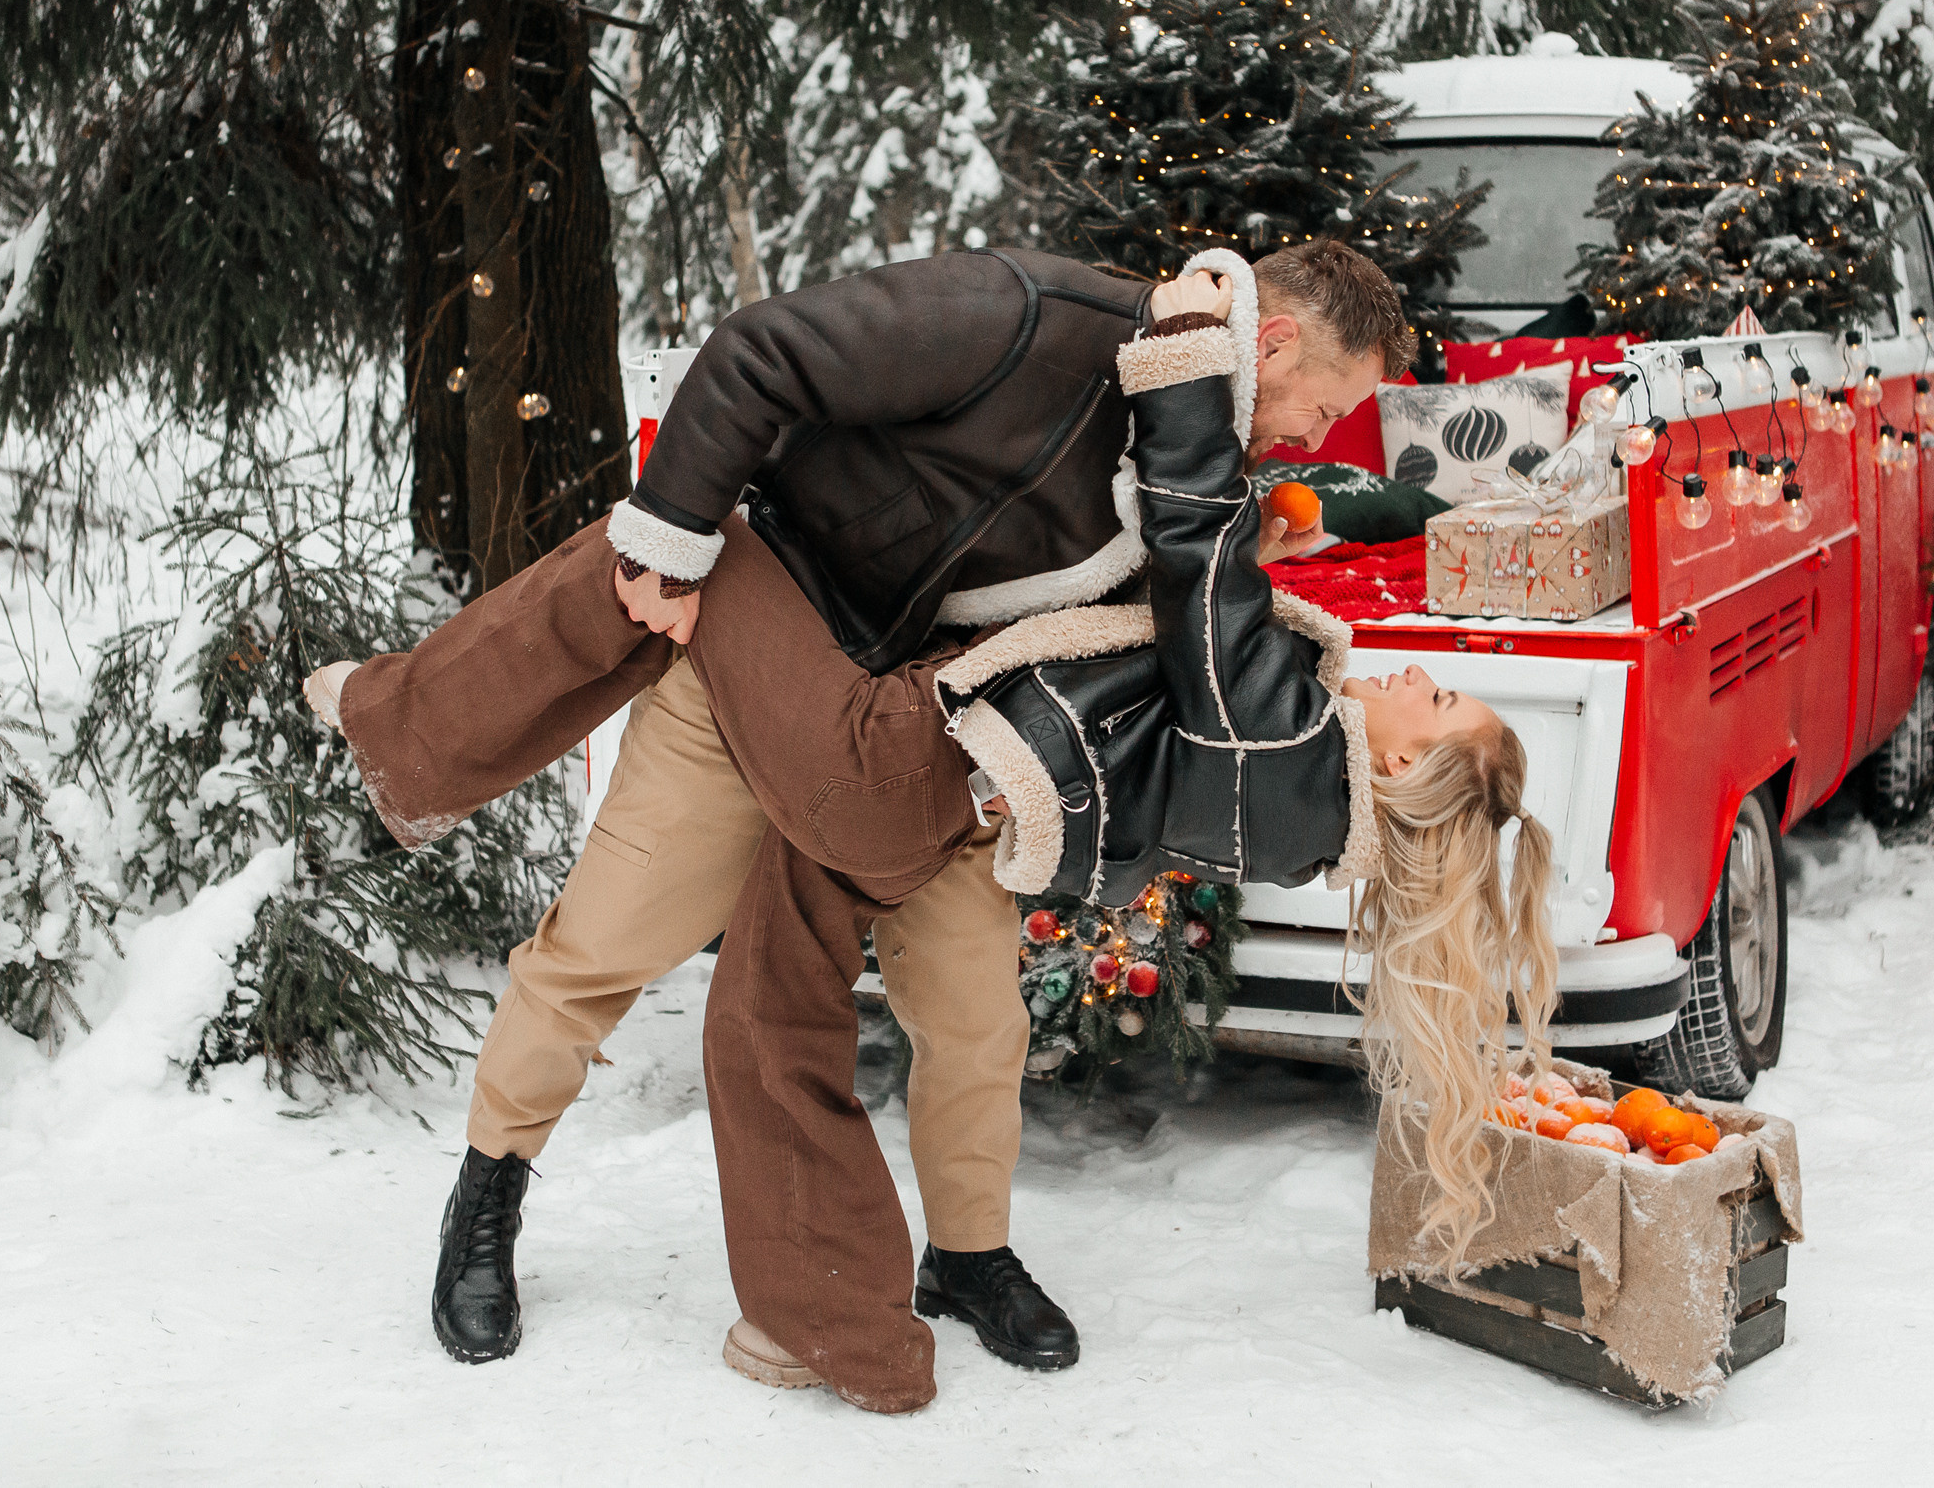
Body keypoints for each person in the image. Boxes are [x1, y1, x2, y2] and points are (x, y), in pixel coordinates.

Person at [307, 240, 1406, 1377]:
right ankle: (486, 1192)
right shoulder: (1026, 313)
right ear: (1270, 341)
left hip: (922, 731)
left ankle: (969, 1253)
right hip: (756, 661)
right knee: (602, 948)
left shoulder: (1192, 436)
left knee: (976, 1018)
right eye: (1322, 409)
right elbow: (758, 352)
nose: (1316, 443)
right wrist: (671, 543)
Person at [654, 256, 1559, 1411]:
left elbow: (1196, 559)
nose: (1424, 674)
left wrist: (1184, 369)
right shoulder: (1305, 781)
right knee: (814, 1008)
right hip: (950, 783)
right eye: (1327, 408)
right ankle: (873, 1300)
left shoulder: (1284, 745)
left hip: (905, 769)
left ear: (1398, 765)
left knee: (683, 568)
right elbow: (1191, 617)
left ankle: (844, 1324)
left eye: (1437, 704)